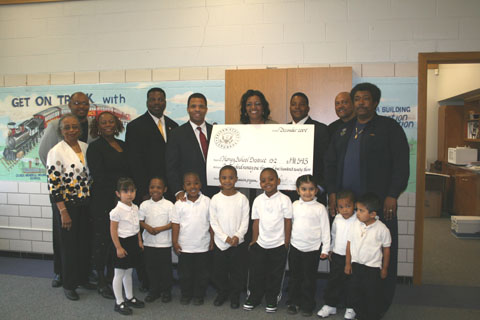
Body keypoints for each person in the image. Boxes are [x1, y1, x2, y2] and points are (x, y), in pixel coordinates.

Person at [325, 82, 409, 314]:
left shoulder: (389, 127)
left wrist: (392, 194)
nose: (361, 103)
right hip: (347, 209)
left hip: (377, 205)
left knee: (377, 256)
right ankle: (350, 301)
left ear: (375, 102)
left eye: (366, 98)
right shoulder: (343, 130)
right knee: (349, 253)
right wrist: (332, 192)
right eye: (357, 98)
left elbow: (401, 164)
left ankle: (378, 303)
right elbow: (330, 163)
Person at [39, 92, 97, 288]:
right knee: (67, 244)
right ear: (61, 130)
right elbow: (53, 180)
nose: (72, 130)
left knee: (83, 242)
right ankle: (66, 281)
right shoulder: (56, 148)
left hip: (84, 203)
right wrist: (62, 209)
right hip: (65, 203)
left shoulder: (85, 145)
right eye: (68, 127)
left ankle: (82, 277)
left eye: (75, 127)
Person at [86, 111, 129, 299]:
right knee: (102, 241)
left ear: (117, 124)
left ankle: (113, 277)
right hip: (104, 201)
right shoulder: (94, 148)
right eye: (103, 122)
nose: (108, 125)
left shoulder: (123, 145)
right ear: (98, 127)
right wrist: (117, 196)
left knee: (116, 241)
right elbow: (99, 176)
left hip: (122, 201)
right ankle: (102, 281)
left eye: (111, 122)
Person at [244, 168, 292, 313]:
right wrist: (254, 241)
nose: (267, 183)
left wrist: (286, 242)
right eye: (263, 180)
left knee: (275, 274)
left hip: (278, 244)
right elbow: (256, 222)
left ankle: (272, 298)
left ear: (278, 181)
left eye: (271, 179)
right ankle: (254, 296)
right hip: (260, 243)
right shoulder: (258, 200)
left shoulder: (285, 200)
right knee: (256, 272)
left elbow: (288, 222)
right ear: (260, 184)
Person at [286, 174, 330, 317]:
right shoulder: (294, 206)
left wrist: (326, 249)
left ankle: (307, 305)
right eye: (304, 189)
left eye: (311, 189)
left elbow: (325, 230)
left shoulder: (320, 208)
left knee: (309, 279)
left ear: (316, 191)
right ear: (298, 191)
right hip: (296, 247)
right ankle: (294, 302)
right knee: (295, 277)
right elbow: (288, 225)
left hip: (312, 249)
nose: (307, 192)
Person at [125, 87, 178, 204]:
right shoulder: (135, 127)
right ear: (147, 102)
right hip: (148, 192)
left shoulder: (174, 126)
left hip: (170, 190)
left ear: (165, 102)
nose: (156, 103)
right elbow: (134, 162)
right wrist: (144, 191)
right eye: (153, 100)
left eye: (160, 99)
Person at [345, 193, 391, 320]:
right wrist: (348, 263)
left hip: (372, 268)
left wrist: (385, 268)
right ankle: (360, 314)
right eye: (357, 210)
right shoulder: (354, 224)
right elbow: (349, 244)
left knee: (371, 294)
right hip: (356, 266)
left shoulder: (382, 229)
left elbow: (386, 250)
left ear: (372, 214)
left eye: (361, 210)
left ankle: (372, 315)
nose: (357, 213)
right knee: (355, 293)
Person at [209, 165, 250, 309]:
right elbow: (213, 221)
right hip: (221, 243)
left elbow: (245, 221)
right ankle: (222, 292)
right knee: (219, 272)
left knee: (237, 271)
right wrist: (225, 238)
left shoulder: (242, 199)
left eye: (231, 178)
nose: (227, 181)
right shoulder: (215, 199)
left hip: (237, 243)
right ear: (219, 180)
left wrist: (237, 236)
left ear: (236, 179)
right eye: (224, 178)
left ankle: (235, 295)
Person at [171, 172, 213, 306]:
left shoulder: (207, 201)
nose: (193, 186)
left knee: (202, 273)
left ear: (200, 184)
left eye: (195, 183)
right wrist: (175, 242)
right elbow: (175, 224)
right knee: (185, 274)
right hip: (185, 246)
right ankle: (186, 294)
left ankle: (199, 295)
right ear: (183, 186)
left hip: (202, 245)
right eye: (188, 184)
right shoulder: (179, 204)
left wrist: (212, 240)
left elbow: (212, 223)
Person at [166, 93, 218, 199]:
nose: (197, 109)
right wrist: (177, 191)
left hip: (216, 193)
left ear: (206, 109)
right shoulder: (176, 134)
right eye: (193, 106)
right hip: (189, 194)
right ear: (188, 109)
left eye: (201, 106)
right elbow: (171, 167)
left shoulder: (216, 132)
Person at [317, 190, 357, 319]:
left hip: (353, 257)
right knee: (334, 280)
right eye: (341, 207)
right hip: (337, 256)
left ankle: (351, 307)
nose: (344, 210)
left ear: (354, 205)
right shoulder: (337, 219)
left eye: (348, 206)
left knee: (351, 282)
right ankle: (330, 305)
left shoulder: (358, 219)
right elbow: (333, 234)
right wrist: (330, 249)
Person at [109, 178, 145, 315]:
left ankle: (129, 297)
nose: (129, 194)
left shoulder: (135, 207)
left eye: (132, 191)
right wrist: (118, 247)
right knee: (119, 273)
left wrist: (139, 241)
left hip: (132, 242)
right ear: (118, 194)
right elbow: (113, 231)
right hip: (121, 243)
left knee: (129, 271)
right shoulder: (116, 211)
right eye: (125, 191)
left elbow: (136, 227)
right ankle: (119, 302)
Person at [288, 92, 329, 204]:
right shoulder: (282, 130)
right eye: (293, 104)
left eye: (301, 104)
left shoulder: (321, 130)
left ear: (308, 108)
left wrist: (319, 188)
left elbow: (327, 162)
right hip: (286, 193)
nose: (297, 107)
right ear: (290, 107)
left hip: (312, 194)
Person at [139, 177, 175, 304]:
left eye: (159, 187)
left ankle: (166, 291)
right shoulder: (144, 205)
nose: (155, 190)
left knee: (165, 269)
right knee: (151, 268)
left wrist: (160, 228)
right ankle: (154, 290)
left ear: (164, 190)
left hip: (164, 243)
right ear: (149, 189)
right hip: (149, 243)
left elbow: (173, 223)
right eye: (152, 187)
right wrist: (147, 227)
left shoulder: (169, 205)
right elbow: (140, 221)